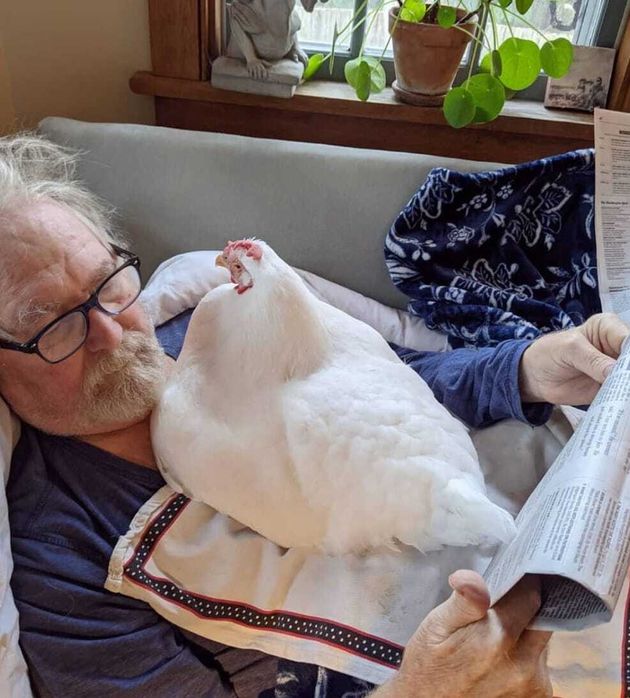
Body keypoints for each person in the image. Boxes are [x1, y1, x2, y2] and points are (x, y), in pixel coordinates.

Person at [0, 133, 627, 698]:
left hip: (555, 532)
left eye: (107, 284)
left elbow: (399, 379)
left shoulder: (207, 318)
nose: (111, 332)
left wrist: (530, 368)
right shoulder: (61, 552)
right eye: (50, 324)